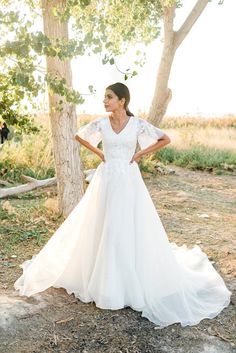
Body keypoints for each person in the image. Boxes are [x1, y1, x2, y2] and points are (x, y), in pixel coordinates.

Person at [14, 82, 231, 328]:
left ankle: (127, 279)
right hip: (106, 178)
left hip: (128, 179)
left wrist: (139, 155)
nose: (104, 101)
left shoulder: (137, 124)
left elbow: (165, 138)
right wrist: (100, 154)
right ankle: (104, 280)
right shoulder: (101, 123)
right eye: (104, 97)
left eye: (109, 97)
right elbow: (78, 136)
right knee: (103, 223)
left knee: (126, 224)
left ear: (122, 101)